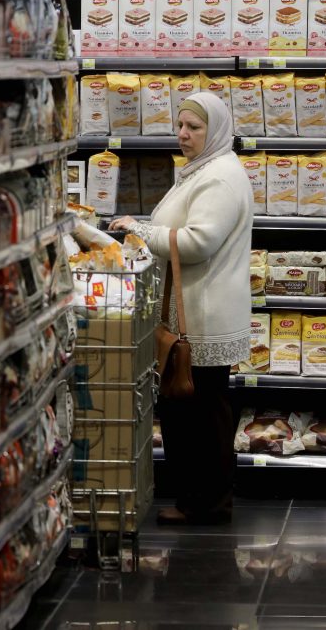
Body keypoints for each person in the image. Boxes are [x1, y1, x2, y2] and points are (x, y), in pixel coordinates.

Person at [108, 92, 252, 525]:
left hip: (203, 317)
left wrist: (139, 230)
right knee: (189, 408)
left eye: (194, 127)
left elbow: (197, 242)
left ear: (217, 130)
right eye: (180, 125)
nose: (183, 135)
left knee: (202, 412)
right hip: (194, 310)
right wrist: (145, 227)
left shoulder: (220, 177)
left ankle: (207, 504)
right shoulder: (201, 170)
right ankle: (197, 498)